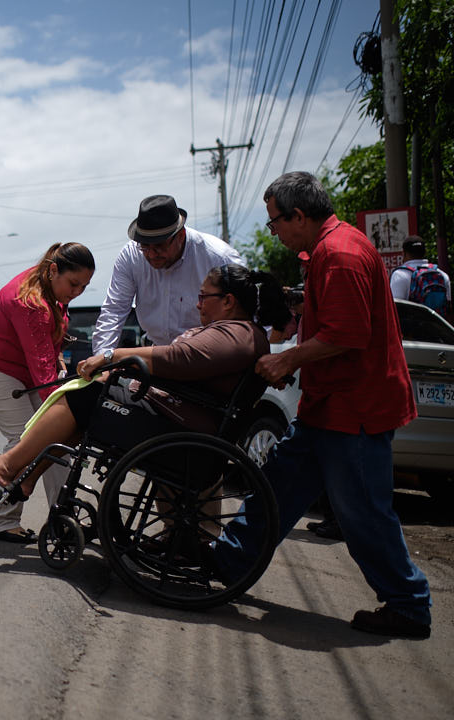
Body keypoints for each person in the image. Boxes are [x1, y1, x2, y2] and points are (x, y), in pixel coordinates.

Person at [210, 171, 432, 639]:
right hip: (326, 404)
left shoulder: (342, 254)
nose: (275, 232)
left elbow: (347, 335)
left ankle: (408, 605)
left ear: (298, 215)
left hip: (357, 408)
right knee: (277, 485)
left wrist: (288, 356)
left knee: (362, 511)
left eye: (274, 223)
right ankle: (228, 561)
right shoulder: (328, 251)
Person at [0, 264, 289, 506]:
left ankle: (7, 467)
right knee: (91, 401)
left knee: (87, 396)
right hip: (184, 417)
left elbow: (178, 359)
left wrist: (112, 358)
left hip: (185, 427)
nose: (198, 303)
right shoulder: (239, 333)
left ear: (228, 301)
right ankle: (25, 478)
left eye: (204, 296)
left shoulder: (238, 334)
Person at [0, 242, 95, 543]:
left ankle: (61, 518)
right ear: (55, 270)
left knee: (53, 440)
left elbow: (47, 353)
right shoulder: (31, 303)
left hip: (15, 368)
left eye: (84, 286)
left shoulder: (49, 286)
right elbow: (43, 370)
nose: (77, 292)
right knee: (31, 438)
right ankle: (5, 522)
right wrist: (67, 415)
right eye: (74, 284)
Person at [90, 195, 243, 354]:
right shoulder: (131, 256)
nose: (151, 254)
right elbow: (114, 310)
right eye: (145, 247)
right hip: (155, 353)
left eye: (159, 246)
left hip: (207, 355)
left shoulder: (219, 258)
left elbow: (249, 318)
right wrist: (102, 359)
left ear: (181, 235)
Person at [390, 235, 451, 317]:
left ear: (404, 254)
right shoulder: (442, 275)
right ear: (424, 252)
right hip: (437, 328)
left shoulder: (400, 275)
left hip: (412, 328)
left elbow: (395, 310)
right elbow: (448, 309)